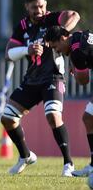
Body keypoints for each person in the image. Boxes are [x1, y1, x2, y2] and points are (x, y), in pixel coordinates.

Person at [1, 0, 80, 176]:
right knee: (7, 118)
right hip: (32, 79)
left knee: (52, 116)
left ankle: (68, 164)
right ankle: (25, 156)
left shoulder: (51, 19)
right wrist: (26, 50)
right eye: (35, 7)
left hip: (53, 77)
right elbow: (8, 54)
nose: (39, 11)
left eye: (42, 6)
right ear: (26, 7)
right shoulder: (21, 26)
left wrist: (60, 32)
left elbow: (75, 15)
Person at [45, 26, 93, 177]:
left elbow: (83, 80)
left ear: (63, 38)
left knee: (89, 118)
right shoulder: (80, 35)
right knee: (89, 118)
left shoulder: (76, 53)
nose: (57, 51)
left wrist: (75, 68)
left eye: (56, 46)